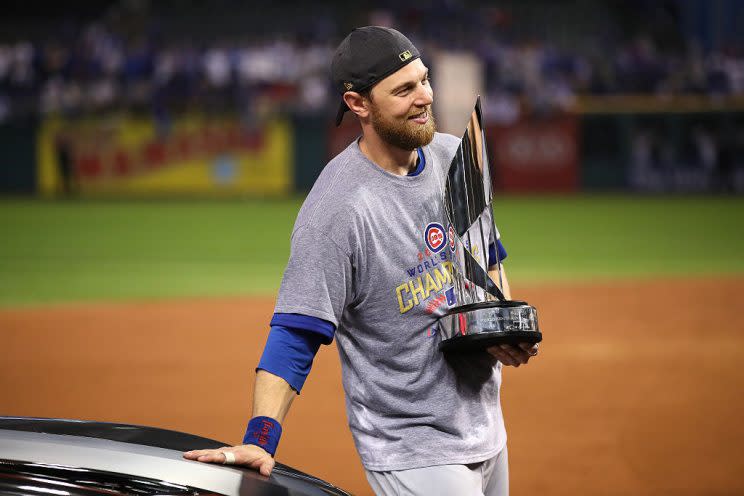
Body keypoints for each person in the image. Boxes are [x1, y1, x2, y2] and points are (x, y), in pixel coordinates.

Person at [184, 26, 539, 496]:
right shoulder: (338, 208)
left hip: (487, 428)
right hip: (411, 448)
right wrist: (260, 437)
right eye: (404, 89)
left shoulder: (455, 155)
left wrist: (497, 327)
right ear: (358, 105)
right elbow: (297, 329)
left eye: (424, 80)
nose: (424, 97)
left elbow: (486, 257)